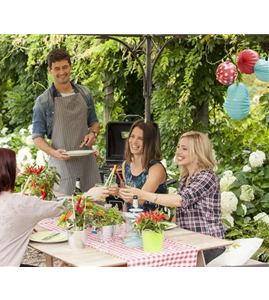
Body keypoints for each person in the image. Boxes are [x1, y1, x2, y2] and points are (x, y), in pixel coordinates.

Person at [0, 147, 108, 267]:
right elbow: (61, 207)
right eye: (15, 165)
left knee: (60, 268)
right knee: (76, 271)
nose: (18, 170)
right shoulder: (19, 203)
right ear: (6, 172)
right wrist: (87, 196)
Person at [119, 131, 225, 264]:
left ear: (198, 152)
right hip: (189, 242)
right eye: (178, 147)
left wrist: (143, 195)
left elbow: (180, 200)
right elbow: (180, 213)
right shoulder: (186, 178)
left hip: (208, 245)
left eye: (184, 149)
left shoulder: (206, 176)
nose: (179, 151)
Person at [32, 48, 101, 196]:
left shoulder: (85, 94)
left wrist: (93, 133)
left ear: (70, 66)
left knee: (95, 209)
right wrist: (54, 153)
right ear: (50, 70)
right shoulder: (43, 101)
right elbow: (37, 136)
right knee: (62, 211)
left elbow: (94, 123)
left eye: (64, 67)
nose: (61, 72)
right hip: (60, 164)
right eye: (57, 68)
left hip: (87, 162)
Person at [115, 119, 167, 212]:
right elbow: (127, 202)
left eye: (140, 138)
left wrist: (117, 192)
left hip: (150, 223)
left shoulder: (156, 168)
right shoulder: (126, 165)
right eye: (132, 136)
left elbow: (141, 199)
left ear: (149, 143)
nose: (134, 141)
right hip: (130, 220)